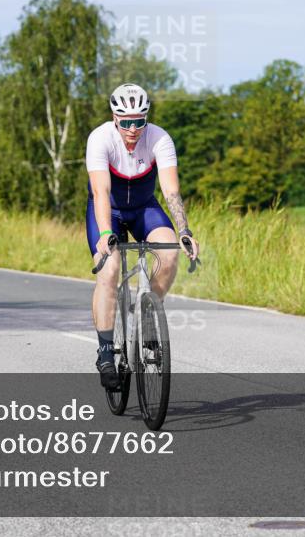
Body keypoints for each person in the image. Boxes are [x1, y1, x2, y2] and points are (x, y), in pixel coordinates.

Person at [87, 83, 200, 390]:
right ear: (114, 118)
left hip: (144, 208)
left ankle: (148, 314)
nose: (133, 129)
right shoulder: (100, 138)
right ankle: (106, 350)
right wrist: (107, 233)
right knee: (109, 271)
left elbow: (171, 190)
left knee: (170, 252)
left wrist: (184, 229)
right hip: (107, 210)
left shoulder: (160, 138)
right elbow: (101, 190)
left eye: (140, 120)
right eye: (126, 122)